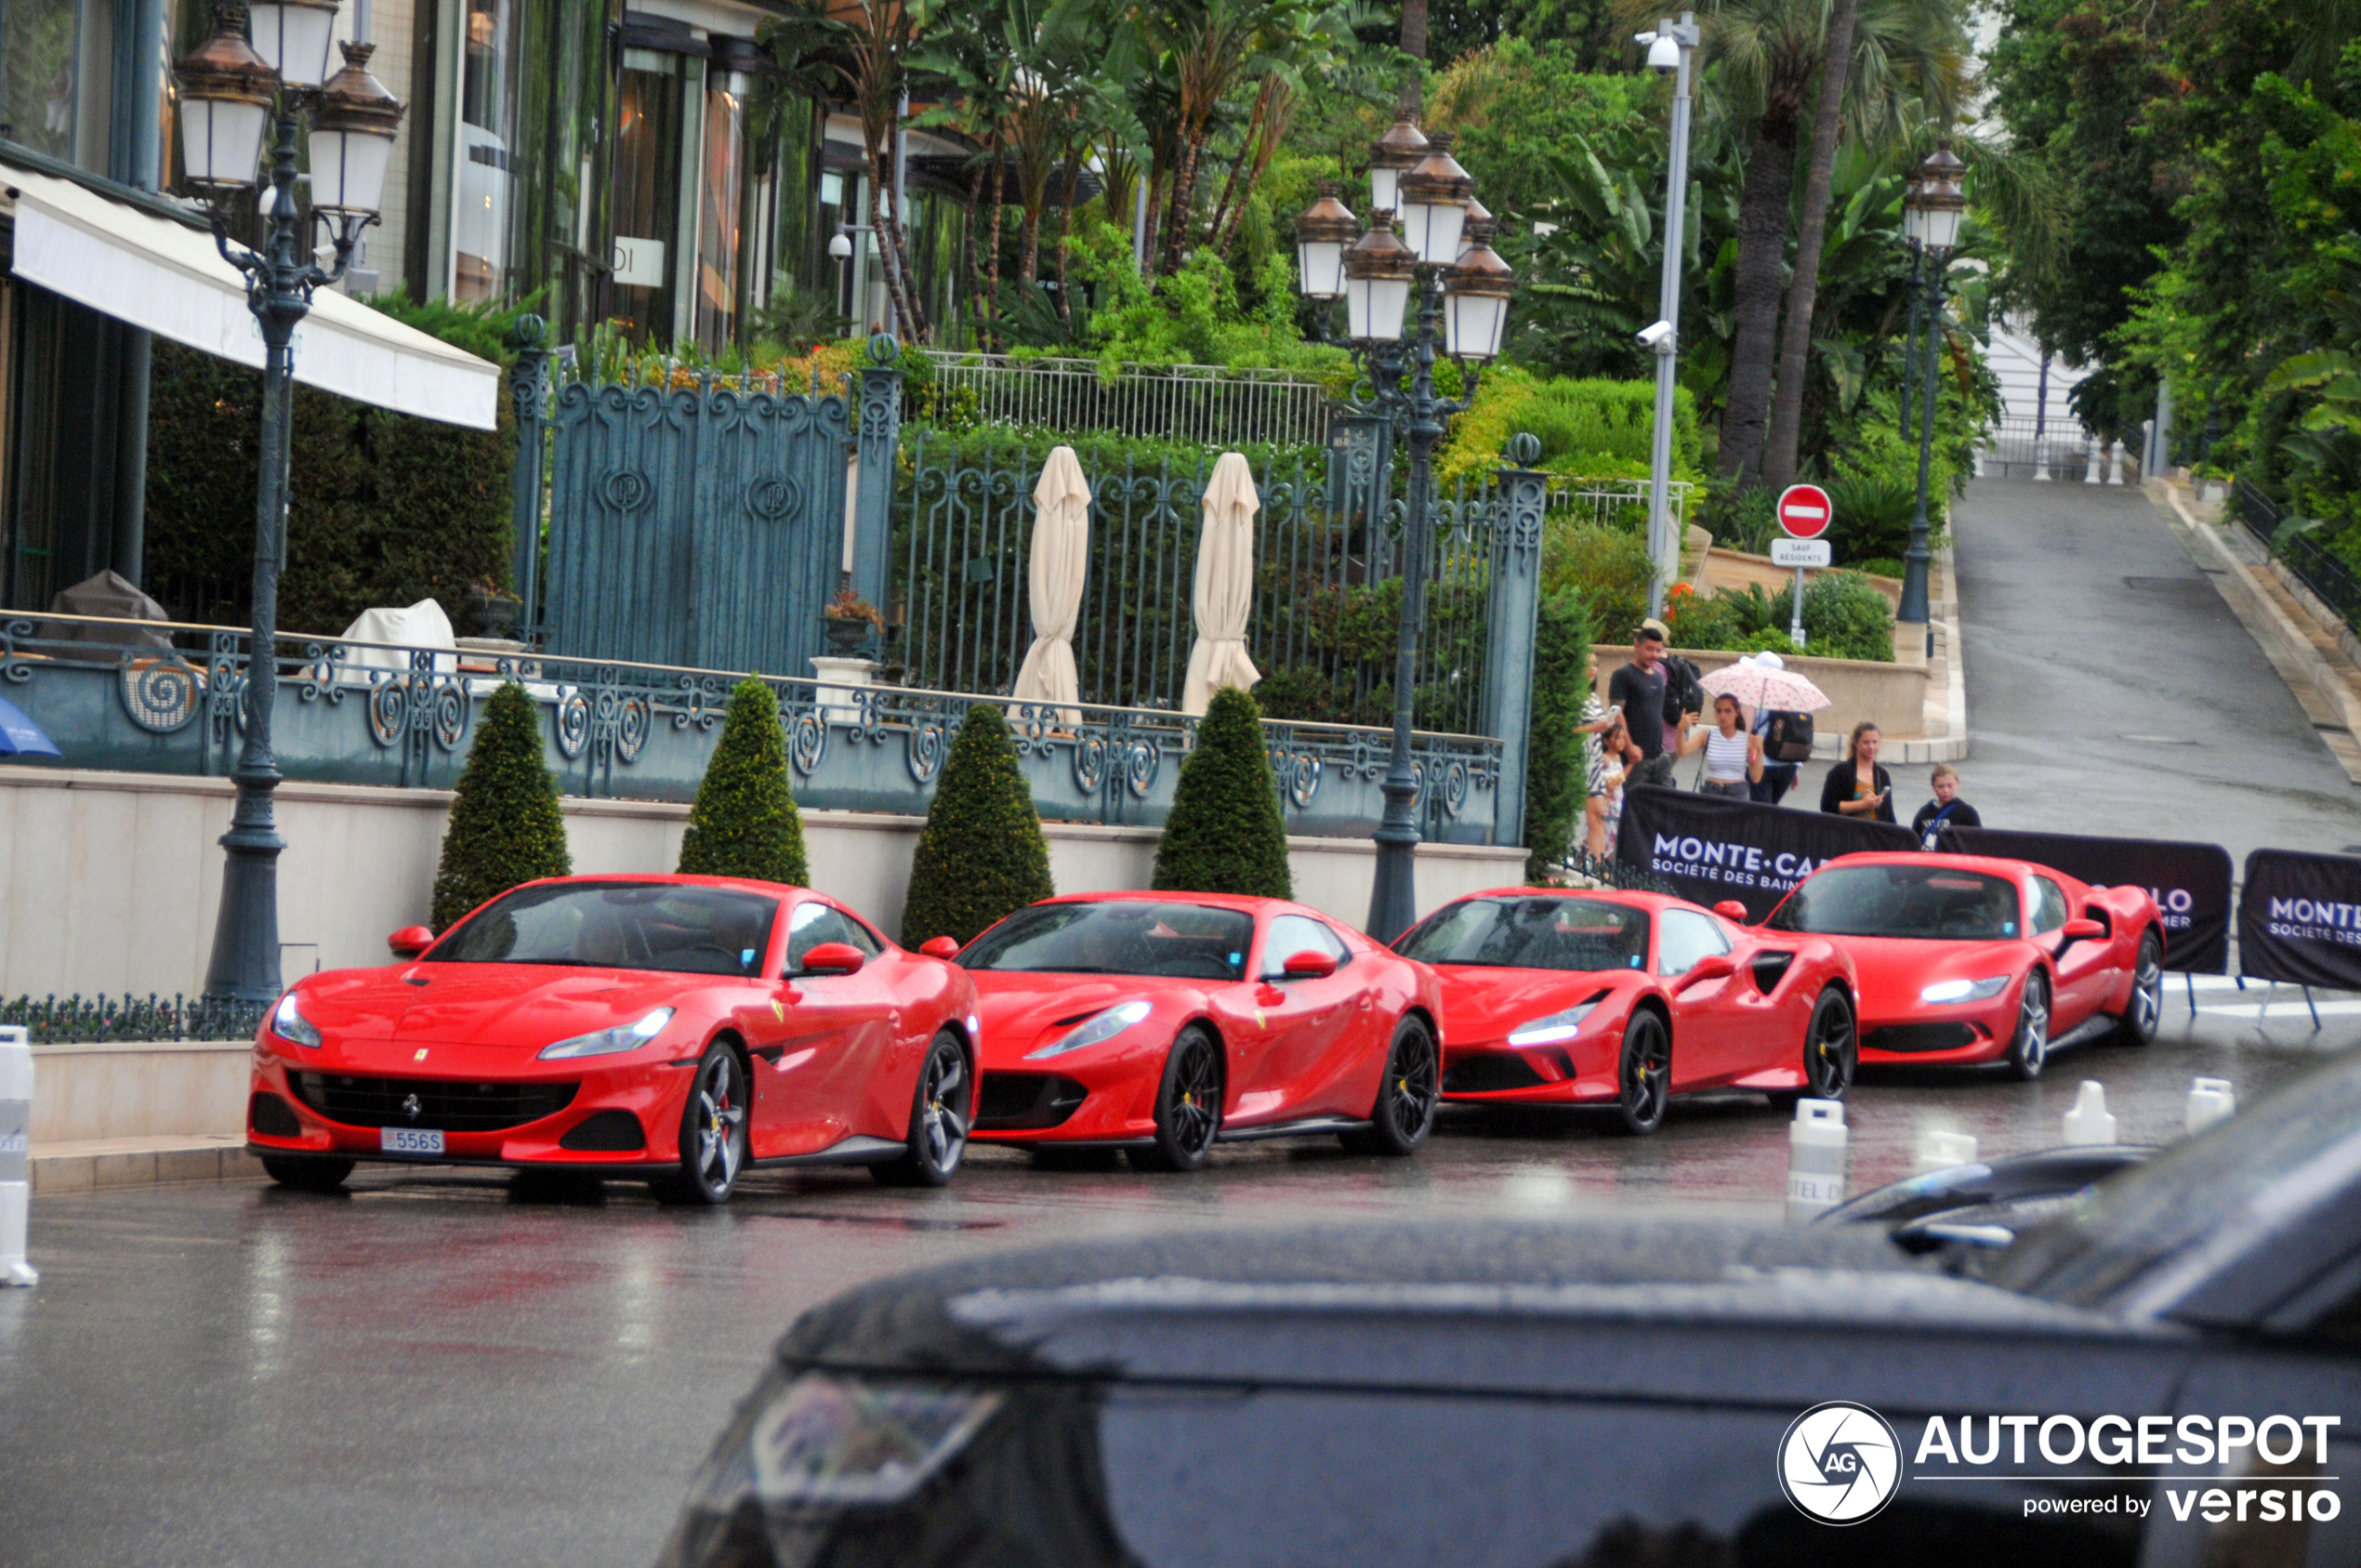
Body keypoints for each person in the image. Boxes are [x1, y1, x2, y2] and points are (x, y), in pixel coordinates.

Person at [1609, 621, 1689, 789]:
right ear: (1637, 646)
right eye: (1649, 649)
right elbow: (1617, 714)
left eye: (1658, 650)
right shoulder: (1623, 675)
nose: (1654, 654)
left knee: (1664, 804)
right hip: (1635, 757)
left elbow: (1656, 713)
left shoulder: (1658, 678)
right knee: (1629, 804)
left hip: (1659, 756)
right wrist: (1630, 748)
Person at [1678, 692, 1763, 799]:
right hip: (1711, 791)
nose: (1722, 716)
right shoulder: (1707, 735)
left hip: (1737, 793)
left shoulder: (1748, 740)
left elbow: (1756, 778)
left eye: (1728, 711)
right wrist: (1680, 729)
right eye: (1719, 711)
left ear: (1736, 712)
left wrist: (1759, 751)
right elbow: (1682, 751)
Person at [1819, 721, 1895, 822]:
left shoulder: (1882, 775)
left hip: (1873, 834)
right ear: (1855, 743)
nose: (1871, 747)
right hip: (1847, 832)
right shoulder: (1840, 772)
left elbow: (1888, 814)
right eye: (1866, 742)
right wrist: (1862, 804)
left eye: (1875, 742)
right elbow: (1827, 806)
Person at [1910, 762, 1983, 849]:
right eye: (1940, 787)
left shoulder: (1967, 813)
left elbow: (1977, 842)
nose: (1946, 790)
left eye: (1950, 786)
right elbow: (1913, 841)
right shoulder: (1924, 813)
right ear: (1933, 786)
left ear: (1958, 784)